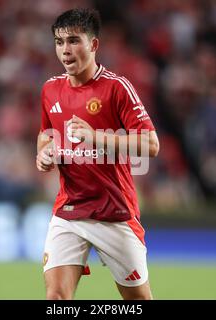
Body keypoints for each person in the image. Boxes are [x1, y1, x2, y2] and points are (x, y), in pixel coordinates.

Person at [36, 8, 159, 300]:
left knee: (138, 301)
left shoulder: (117, 88)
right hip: (69, 211)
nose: (65, 50)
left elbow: (151, 145)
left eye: (73, 41)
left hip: (114, 214)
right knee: (56, 300)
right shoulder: (50, 89)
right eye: (59, 42)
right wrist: (43, 154)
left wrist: (95, 137)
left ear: (93, 45)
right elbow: (45, 135)